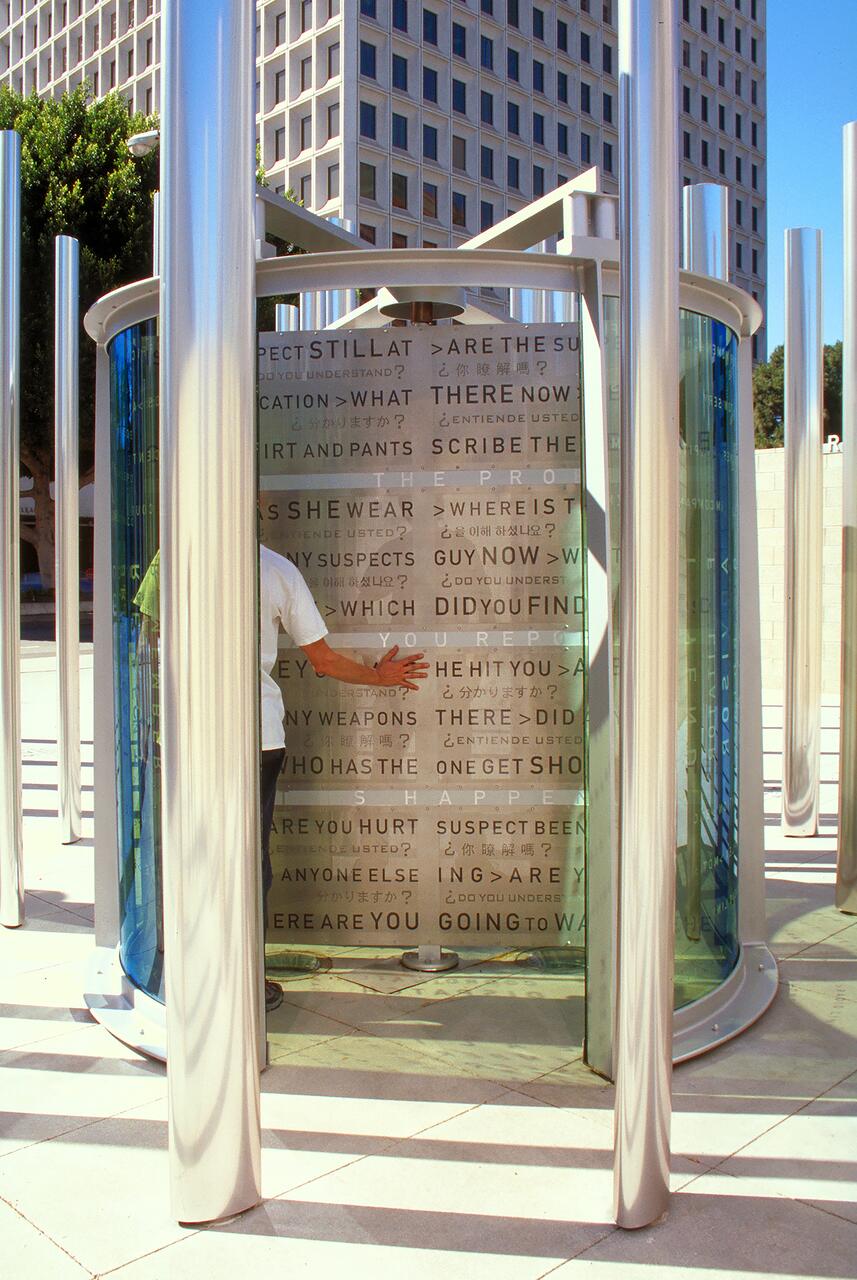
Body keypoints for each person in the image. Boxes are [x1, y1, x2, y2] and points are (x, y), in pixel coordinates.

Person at [133, 545, 428, 1012]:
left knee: (192, 848)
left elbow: (150, 636)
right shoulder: (276, 569)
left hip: (187, 733)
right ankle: (245, 974)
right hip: (256, 735)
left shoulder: (172, 553)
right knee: (250, 855)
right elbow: (324, 660)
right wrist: (379, 677)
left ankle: (195, 970)